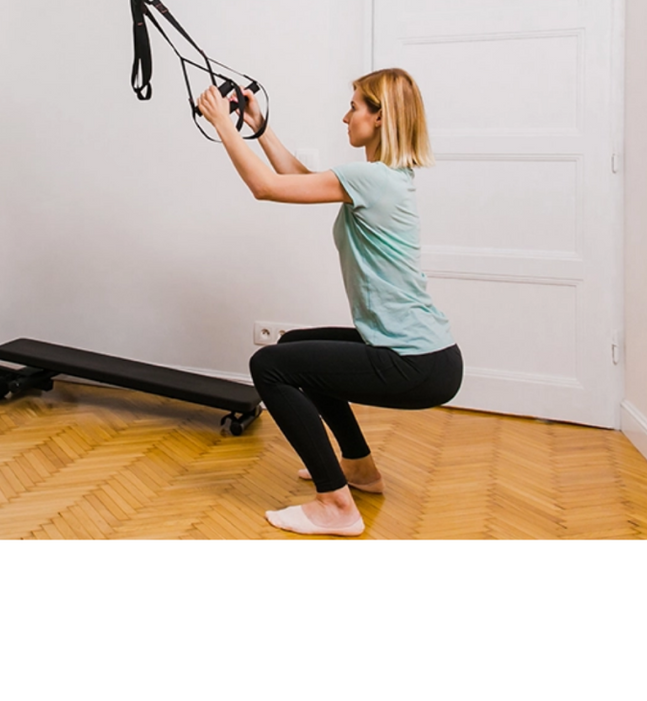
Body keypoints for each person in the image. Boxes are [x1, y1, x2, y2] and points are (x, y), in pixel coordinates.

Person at [196, 67, 463, 537]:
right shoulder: (379, 178)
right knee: (296, 346)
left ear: (381, 118)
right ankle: (359, 469)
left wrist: (222, 124)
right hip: (427, 356)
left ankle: (335, 506)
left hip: (415, 362)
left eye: (355, 106)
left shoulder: (372, 179)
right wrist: (258, 128)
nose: (346, 117)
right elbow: (300, 178)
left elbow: (267, 188)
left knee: (271, 366)